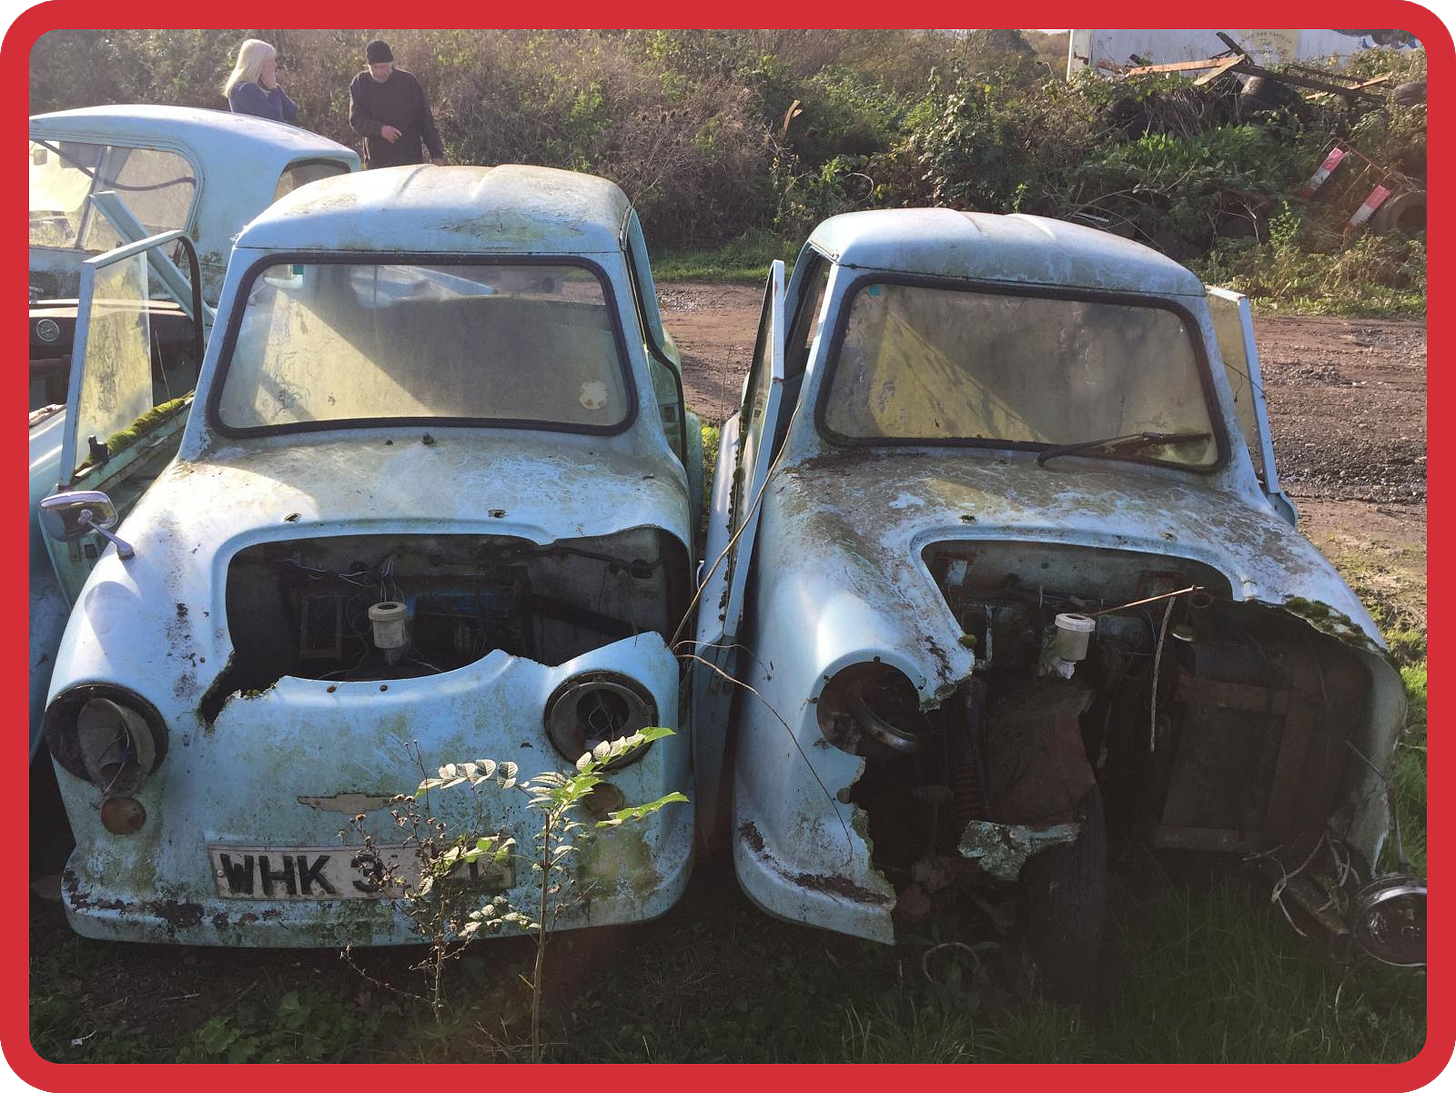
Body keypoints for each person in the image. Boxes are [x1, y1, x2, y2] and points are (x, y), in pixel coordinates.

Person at [348, 40, 446, 169]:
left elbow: (425, 120)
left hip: (410, 159)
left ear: (391, 63)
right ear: (368, 66)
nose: (379, 72)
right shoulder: (360, 83)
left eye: (383, 67)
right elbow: (356, 120)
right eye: (374, 68)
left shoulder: (408, 82)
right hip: (377, 162)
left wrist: (436, 154)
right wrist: (380, 130)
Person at [223, 39, 299, 123]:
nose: (275, 64)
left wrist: (274, 86)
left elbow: (292, 113)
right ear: (257, 62)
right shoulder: (244, 89)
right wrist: (273, 88)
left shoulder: (263, 84)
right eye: (270, 60)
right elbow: (274, 120)